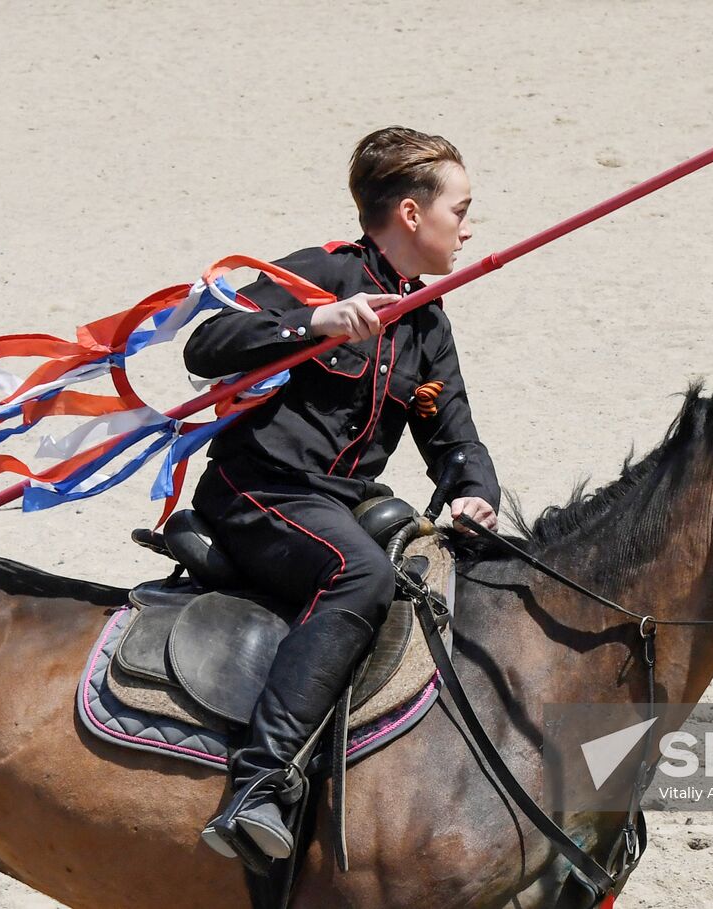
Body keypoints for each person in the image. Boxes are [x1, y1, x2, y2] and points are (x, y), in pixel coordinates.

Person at [183, 126, 500, 863]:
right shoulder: (318, 273)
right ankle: (258, 783)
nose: (470, 225)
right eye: (462, 208)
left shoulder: (426, 320)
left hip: (341, 499)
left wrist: (474, 495)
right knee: (358, 573)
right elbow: (206, 347)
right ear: (413, 215)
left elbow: (455, 440)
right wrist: (311, 321)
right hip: (258, 486)